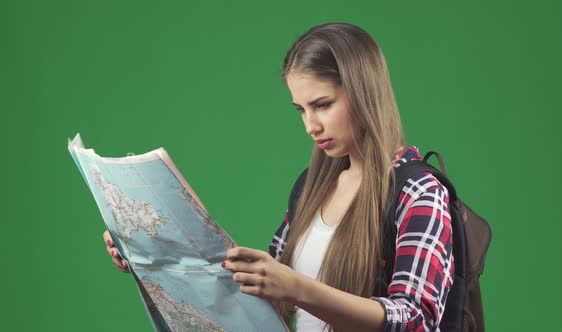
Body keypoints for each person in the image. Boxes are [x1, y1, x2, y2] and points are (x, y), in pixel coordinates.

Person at [103, 23, 454, 332]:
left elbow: (415, 320)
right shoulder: (311, 188)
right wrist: (153, 256)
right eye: (301, 109)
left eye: (323, 105)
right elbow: (266, 296)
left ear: (364, 92)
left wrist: (296, 287)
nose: (310, 126)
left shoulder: (418, 191)